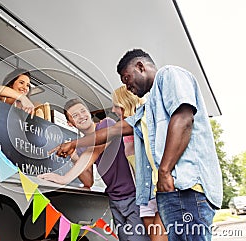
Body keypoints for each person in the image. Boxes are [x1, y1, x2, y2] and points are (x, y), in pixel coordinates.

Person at [53, 49, 223, 241]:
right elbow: (115, 130)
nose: (127, 87)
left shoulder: (169, 74)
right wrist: (74, 143)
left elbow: (183, 119)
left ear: (140, 67)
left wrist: (164, 171)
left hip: (187, 188)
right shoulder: (147, 108)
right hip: (168, 191)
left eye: (127, 79)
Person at [38, 98, 150, 241]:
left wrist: (64, 178)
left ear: (89, 113)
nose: (81, 116)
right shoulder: (82, 146)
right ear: (70, 123)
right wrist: (73, 156)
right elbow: (88, 180)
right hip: (115, 198)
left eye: (83, 111)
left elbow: (94, 151)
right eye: (75, 115)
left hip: (133, 196)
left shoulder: (107, 124)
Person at [113, 86, 167, 241]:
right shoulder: (123, 130)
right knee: (153, 237)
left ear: (126, 103)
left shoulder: (146, 121)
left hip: (159, 189)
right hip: (144, 193)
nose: (113, 109)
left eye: (116, 105)